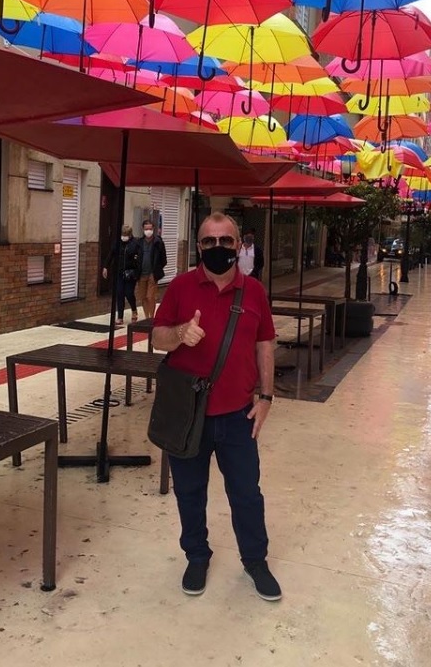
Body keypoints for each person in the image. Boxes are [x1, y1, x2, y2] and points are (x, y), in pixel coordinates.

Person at [152, 212, 281, 601]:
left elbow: (265, 344)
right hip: (187, 415)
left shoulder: (254, 291)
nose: (218, 247)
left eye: (226, 240)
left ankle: (255, 561)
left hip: (238, 415)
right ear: (199, 246)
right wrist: (180, 333)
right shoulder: (180, 286)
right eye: (209, 241)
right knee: (189, 492)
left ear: (239, 245)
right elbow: (158, 338)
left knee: (246, 493)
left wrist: (266, 397)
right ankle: (196, 556)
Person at [102, 224, 141, 325]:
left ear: (130, 234)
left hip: (130, 273)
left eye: (126, 235)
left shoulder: (135, 244)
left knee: (129, 293)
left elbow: (138, 260)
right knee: (119, 293)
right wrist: (105, 266)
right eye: (123, 234)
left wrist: (136, 272)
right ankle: (120, 317)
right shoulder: (117, 243)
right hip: (119, 272)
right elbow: (111, 254)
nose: (124, 236)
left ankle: (134, 309)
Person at [137, 219, 167, 319]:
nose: (148, 231)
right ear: (143, 229)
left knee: (150, 297)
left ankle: (151, 317)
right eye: (146, 229)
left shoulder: (158, 242)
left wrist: (156, 270)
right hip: (141, 274)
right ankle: (146, 317)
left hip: (152, 274)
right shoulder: (139, 242)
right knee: (143, 297)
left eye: (150, 229)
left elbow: (164, 259)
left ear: (153, 229)